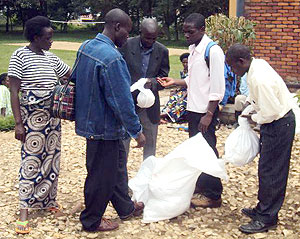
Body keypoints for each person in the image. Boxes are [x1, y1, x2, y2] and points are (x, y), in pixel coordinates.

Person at [73, 8, 146, 232]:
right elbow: (121, 101)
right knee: (100, 175)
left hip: (91, 122)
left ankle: (125, 207)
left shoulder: (86, 47)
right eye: (127, 31)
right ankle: (91, 220)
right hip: (104, 127)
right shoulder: (112, 58)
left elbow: (74, 78)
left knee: (115, 168)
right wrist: (137, 131)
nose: (128, 37)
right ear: (117, 27)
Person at [7, 16, 71, 234]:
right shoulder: (19, 56)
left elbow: (72, 75)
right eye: (48, 38)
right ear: (36, 38)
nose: (51, 41)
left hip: (52, 118)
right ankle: (24, 209)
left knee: (52, 159)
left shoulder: (51, 58)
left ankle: (47, 201)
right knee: (31, 161)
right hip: (32, 119)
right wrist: (18, 124)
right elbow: (14, 91)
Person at [226, 43, 296, 234]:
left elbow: (271, 112)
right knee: (266, 168)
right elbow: (258, 97)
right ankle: (263, 208)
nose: (233, 71)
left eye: (233, 67)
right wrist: (249, 104)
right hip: (276, 122)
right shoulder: (256, 66)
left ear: (241, 61)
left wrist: (253, 117)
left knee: (272, 171)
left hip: (279, 123)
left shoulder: (259, 78)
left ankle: (267, 218)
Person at [157, 13, 225, 208]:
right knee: (196, 150)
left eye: (190, 32)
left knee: (208, 150)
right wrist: (175, 82)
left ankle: (213, 194)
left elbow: (218, 87)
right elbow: (193, 79)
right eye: (185, 31)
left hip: (206, 112)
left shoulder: (213, 51)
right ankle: (201, 186)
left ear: (203, 30)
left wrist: (209, 114)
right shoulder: (193, 49)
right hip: (193, 110)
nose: (186, 35)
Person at [119, 18, 170, 160]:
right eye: (147, 38)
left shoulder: (162, 51)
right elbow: (118, 71)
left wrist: (151, 83)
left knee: (150, 142)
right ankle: (121, 176)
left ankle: (147, 175)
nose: (150, 41)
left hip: (150, 106)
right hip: (129, 102)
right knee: (123, 143)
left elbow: (163, 78)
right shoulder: (126, 46)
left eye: (154, 38)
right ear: (140, 32)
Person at [160, 53, 189, 124]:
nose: (185, 64)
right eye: (183, 62)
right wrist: (176, 90)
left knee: (182, 102)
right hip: (183, 90)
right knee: (173, 98)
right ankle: (163, 113)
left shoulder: (193, 72)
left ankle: (168, 116)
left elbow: (192, 86)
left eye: (187, 62)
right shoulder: (183, 72)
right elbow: (182, 84)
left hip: (190, 92)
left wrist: (183, 96)